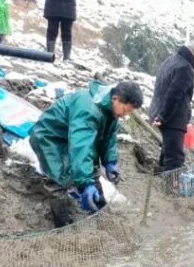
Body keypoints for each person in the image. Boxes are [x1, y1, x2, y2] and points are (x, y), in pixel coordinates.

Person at [29, 81, 143, 227]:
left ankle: (100, 213)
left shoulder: (112, 111)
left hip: (75, 137)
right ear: (115, 98)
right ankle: (63, 226)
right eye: (125, 110)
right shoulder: (88, 108)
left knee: (93, 172)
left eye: (129, 112)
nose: (125, 115)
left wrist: (110, 161)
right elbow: (80, 147)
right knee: (58, 179)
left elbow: (109, 137)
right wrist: (85, 184)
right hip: (51, 137)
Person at [149, 40, 194, 175]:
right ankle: (169, 191)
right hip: (172, 117)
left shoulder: (171, 60)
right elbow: (174, 95)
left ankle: (160, 182)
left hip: (159, 111)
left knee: (168, 150)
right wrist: (164, 116)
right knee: (175, 158)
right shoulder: (185, 68)